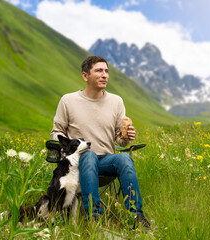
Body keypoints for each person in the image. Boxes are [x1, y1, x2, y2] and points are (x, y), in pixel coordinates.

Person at [50, 55, 150, 229]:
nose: (104, 75)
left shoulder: (116, 101)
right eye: (99, 71)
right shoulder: (68, 100)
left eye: (106, 71)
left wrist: (126, 137)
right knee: (88, 156)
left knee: (124, 159)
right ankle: (93, 217)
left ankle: (136, 217)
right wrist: (62, 148)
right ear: (85, 76)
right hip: (78, 163)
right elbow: (56, 132)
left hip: (105, 160)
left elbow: (120, 140)